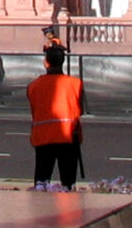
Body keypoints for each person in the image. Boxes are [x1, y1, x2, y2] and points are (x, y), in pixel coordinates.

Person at [27, 46, 85, 190]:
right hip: (69, 137)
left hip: (42, 139)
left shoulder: (33, 86)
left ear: (46, 63)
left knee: (41, 183)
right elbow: (80, 110)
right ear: (63, 62)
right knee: (68, 184)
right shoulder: (76, 84)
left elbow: (34, 108)